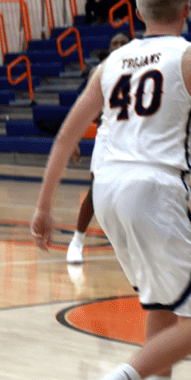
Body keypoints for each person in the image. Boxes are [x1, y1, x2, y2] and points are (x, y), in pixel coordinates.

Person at [31, 0, 191, 380]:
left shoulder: (111, 64)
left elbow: (65, 140)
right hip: (153, 191)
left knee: (162, 306)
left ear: (139, 12)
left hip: (106, 192)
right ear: (187, 11)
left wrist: (43, 209)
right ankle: (119, 377)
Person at [65, 31, 131, 264]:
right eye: (115, 42)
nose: (119, 45)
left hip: (135, 135)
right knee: (97, 188)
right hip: (108, 134)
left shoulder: (143, 67)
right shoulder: (100, 71)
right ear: (110, 47)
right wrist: (73, 140)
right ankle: (77, 241)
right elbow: (83, 110)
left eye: (124, 42)